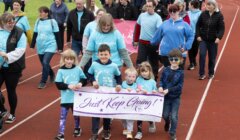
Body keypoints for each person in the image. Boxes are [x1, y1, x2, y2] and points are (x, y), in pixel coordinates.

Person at [88, 44, 122, 140]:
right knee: (95, 113)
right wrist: (93, 81)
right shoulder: (94, 64)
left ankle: (106, 131)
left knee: (106, 114)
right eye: (101, 54)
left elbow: (118, 76)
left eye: (105, 54)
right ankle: (94, 133)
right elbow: (89, 74)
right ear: (98, 55)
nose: (103, 56)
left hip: (108, 94)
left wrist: (119, 84)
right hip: (97, 93)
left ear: (110, 55)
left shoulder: (114, 66)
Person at [0, 12, 27, 124]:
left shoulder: (19, 33)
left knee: (11, 90)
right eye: (8, 23)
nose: (11, 24)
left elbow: (20, 50)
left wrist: (7, 56)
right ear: (2, 22)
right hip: (0, 66)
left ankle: (12, 113)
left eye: (13, 22)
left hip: (13, 67)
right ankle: (2, 109)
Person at [54, 49, 86, 140]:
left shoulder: (78, 69)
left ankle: (77, 128)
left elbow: (84, 78)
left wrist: (80, 83)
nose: (69, 61)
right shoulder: (61, 71)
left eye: (71, 59)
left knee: (76, 114)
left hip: (76, 97)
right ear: (63, 60)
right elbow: (58, 84)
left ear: (74, 60)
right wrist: (68, 86)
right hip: (65, 98)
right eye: (67, 59)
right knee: (63, 115)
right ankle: (61, 133)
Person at [151, 4, 194, 69]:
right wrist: (151, 43)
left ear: (178, 11)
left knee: (178, 75)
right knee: (167, 74)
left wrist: (186, 47)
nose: (172, 13)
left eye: (174, 11)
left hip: (180, 54)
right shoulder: (164, 23)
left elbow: (191, 36)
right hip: (165, 53)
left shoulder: (184, 24)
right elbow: (156, 37)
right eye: (170, 11)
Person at [30, 6, 61, 89]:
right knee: (44, 63)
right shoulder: (37, 21)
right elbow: (35, 33)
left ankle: (43, 82)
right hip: (40, 45)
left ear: (47, 13)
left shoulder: (52, 22)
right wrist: (32, 44)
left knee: (45, 62)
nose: (40, 13)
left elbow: (57, 35)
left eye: (42, 12)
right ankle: (51, 74)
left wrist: (60, 47)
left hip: (51, 44)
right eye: (39, 12)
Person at [133, 0, 162, 80]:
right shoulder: (142, 16)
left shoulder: (157, 18)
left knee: (153, 62)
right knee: (140, 61)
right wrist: (135, 40)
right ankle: (138, 77)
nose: (148, 8)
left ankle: (154, 78)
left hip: (153, 44)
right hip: (142, 42)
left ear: (154, 7)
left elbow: (159, 32)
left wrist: (158, 45)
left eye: (150, 6)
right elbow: (137, 28)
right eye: (147, 6)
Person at [158, 49, 184, 140]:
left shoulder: (181, 73)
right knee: (164, 115)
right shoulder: (165, 70)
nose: (173, 61)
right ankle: (167, 122)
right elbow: (161, 80)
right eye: (171, 59)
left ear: (180, 60)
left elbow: (180, 86)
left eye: (176, 59)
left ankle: (172, 132)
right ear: (169, 60)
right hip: (166, 97)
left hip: (175, 98)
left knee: (174, 116)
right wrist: (160, 86)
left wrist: (168, 90)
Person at [196, 0, 225, 80]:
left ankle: (211, 72)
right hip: (203, 40)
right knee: (202, 55)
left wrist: (218, 37)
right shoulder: (203, 14)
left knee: (212, 58)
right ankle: (201, 73)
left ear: (214, 6)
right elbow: (198, 25)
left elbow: (221, 29)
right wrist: (198, 35)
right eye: (207, 5)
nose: (208, 6)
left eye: (210, 5)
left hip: (213, 41)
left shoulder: (219, 15)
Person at [134, 61, 157, 140]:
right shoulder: (138, 79)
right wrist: (136, 90)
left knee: (148, 115)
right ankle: (139, 132)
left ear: (149, 71)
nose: (144, 73)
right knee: (139, 116)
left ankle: (151, 122)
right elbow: (136, 87)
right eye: (142, 71)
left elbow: (155, 91)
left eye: (146, 71)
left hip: (148, 103)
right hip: (139, 102)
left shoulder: (152, 82)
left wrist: (154, 91)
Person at [121, 67, 138, 139]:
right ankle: (125, 127)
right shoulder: (123, 84)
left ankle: (130, 131)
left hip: (132, 106)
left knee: (130, 118)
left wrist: (138, 90)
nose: (131, 78)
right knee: (123, 118)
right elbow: (120, 90)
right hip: (123, 105)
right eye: (129, 76)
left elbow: (140, 91)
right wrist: (124, 89)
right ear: (125, 77)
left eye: (133, 77)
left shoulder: (136, 85)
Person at [187, 0, 201, 70]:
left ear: (192, 6)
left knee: (195, 49)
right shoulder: (187, 13)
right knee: (190, 48)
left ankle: (194, 59)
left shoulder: (200, 13)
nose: (188, 6)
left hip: (196, 34)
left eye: (189, 5)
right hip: (189, 34)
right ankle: (191, 63)